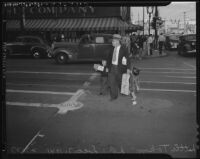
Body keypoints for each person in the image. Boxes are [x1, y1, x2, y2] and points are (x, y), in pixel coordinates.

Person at [106, 34, 131, 101]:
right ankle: (113, 96)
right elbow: (108, 58)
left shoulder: (124, 49)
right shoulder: (111, 48)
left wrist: (128, 68)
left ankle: (123, 90)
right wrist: (107, 67)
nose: (112, 42)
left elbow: (128, 59)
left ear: (117, 41)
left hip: (120, 68)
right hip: (112, 67)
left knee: (120, 82)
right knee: (112, 82)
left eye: (113, 41)